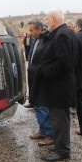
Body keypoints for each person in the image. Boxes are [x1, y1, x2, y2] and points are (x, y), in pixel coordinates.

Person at [28, 9, 78, 162]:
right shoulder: (62, 33)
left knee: (60, 120)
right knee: (60, 119)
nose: (47, 22)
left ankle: (62, 150)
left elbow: (63, 62)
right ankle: (61, 148)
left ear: (55, 19)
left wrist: (43, 71)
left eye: (48, 19)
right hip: (59, 87)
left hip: (59, 88)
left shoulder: (62, 35)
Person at [27, 18, 54, 146]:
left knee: (43, 106)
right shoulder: (35, 40)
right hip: (34, 76)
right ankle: (42, 130)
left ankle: (49, 134)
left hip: (42, 78)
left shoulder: (47, 40)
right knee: (37, 104)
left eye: (32, 30)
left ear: (39, 29)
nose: (30, 33)